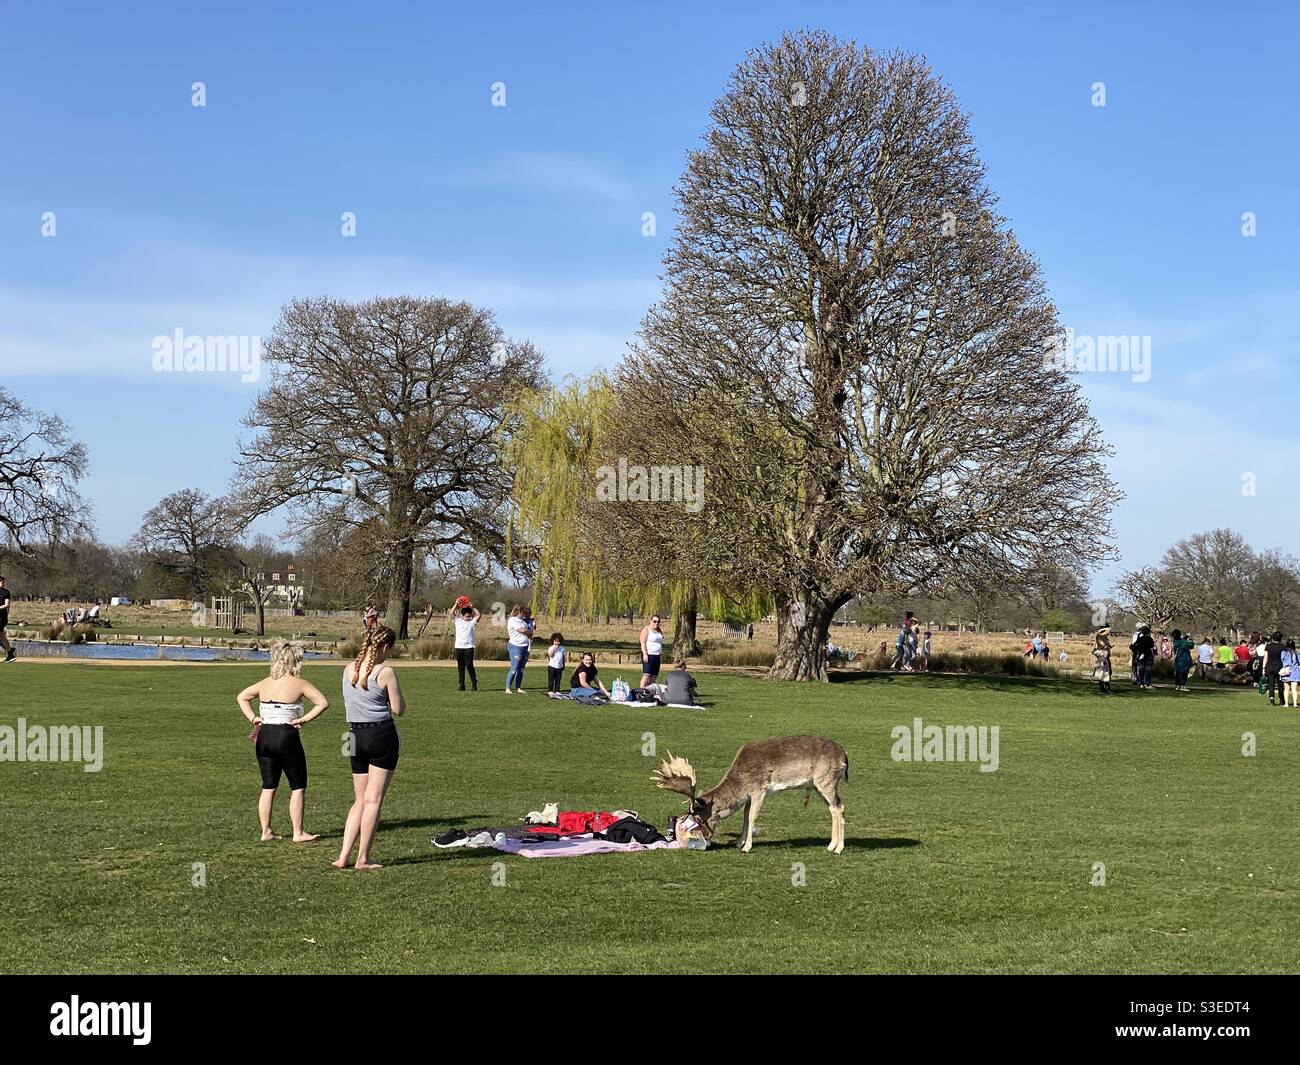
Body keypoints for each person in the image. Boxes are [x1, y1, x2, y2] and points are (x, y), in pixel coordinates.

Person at [236, 639, 329, 843]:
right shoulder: (300, 683)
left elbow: (241, 697)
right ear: (295, 661)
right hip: (286, 736)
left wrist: (253, 718)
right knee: (298, 785)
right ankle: (298, 832)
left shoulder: (265, 683)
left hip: (264, 736)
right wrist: (303, 720)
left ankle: (266, 831)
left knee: (268, 785)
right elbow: (323, 703)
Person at [334, 626, 405, 870]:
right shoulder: (385, 672)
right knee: (373, 800)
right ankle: (363, 857)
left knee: (359, 800)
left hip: (354, 735)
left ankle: (343, 855)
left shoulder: (347, 669)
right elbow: (398, 709)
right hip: (380, 734)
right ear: (384, 647)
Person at [449, 602, 480, 692]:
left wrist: (472, 607)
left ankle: (474, 684)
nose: (468, 618)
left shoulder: (472, 622)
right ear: (462, 616)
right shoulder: (457, 621)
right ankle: (462, 685)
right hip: (459, 647)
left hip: (469, 647)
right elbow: (451, 613)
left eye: (470, 616)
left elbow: (478, 615)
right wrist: (456, 604)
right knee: (460, 666)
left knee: (469, 665)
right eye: (467, 616)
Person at [504, 606, 534, 694]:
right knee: (514, 668)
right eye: (524, 614)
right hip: (516, 646)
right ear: (520, 612)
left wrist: (529, 631)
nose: (526, 616)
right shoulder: (513, 620)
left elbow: (528, 630)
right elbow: (522, 630)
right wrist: (530, 631)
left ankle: (518, 687)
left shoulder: (522, 621)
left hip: (525, 646)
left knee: (521, 668)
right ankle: (508, 688)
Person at [639, 614, 665, 688]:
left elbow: (661, 638)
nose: (656, 623)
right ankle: (641, 691)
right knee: (647, 675)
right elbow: (643, 642)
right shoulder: (646, 629)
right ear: (651, 621)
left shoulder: (659, 630)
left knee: (654, 676)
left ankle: (649, 691)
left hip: (657, 655)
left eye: (658, 621)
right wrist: (645, 654)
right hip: (649, 654)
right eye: (654, 621)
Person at [1263, 631, 1286, 706]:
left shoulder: (1268, 646)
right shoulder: (1282, 647)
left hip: (1270, 666)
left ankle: (1272, 698)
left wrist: (1263, 668)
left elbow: (1265, 658)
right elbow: (1283, 658)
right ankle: (1281, 699)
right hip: (1279, 666)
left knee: (1271, 683)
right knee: (1280, 684)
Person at [1132, 625, 1156, 690]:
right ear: (1148, 632)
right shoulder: (1150, 639)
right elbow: (1152, 648)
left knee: (1141, 670)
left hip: (1141, 656)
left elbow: (1133, 645)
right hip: (1148, 655)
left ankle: (1141, 683)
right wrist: (1153, 656)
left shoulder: (1140, 639)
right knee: (1148, 670)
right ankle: (1147, 683)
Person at [1171, 629, 1194, 693]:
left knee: (1178, 672)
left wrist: (1185, 637)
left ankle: (1177, 685)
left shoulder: (1175, 641)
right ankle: (1182, 685)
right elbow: (1191, 646)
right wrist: (1190, 640)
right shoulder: (1183, 642)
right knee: (1184, 672)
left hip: (1178, 659)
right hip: (1185, 659)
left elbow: (1181, 642)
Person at [1093, 628, 1113, 694]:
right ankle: (1105, 688)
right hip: (1103, 657)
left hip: (1105, 656)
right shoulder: (1099, 637)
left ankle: (1104, 687)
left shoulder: (1104, 638)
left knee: (1106, 672)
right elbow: (1109, 629)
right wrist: (1102, 629)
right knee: (1104, 672)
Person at [1281, 640, 1299, 708]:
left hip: (1286, 672)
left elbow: (1282, 660)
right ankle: (1295, 704)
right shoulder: (1297, 653)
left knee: (1286, 689)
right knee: (1294, 689)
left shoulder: (1283, 653)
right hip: (1295, 672)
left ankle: (1286, 703)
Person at [0, 575, 13, 662]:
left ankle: (10, 652)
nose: (3, 583)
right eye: (2, 582)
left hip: (1, 617)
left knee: (1, 635)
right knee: (1, 635)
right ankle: (10, 653)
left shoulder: (6, 592)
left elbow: (7, 605)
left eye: (4, 582)